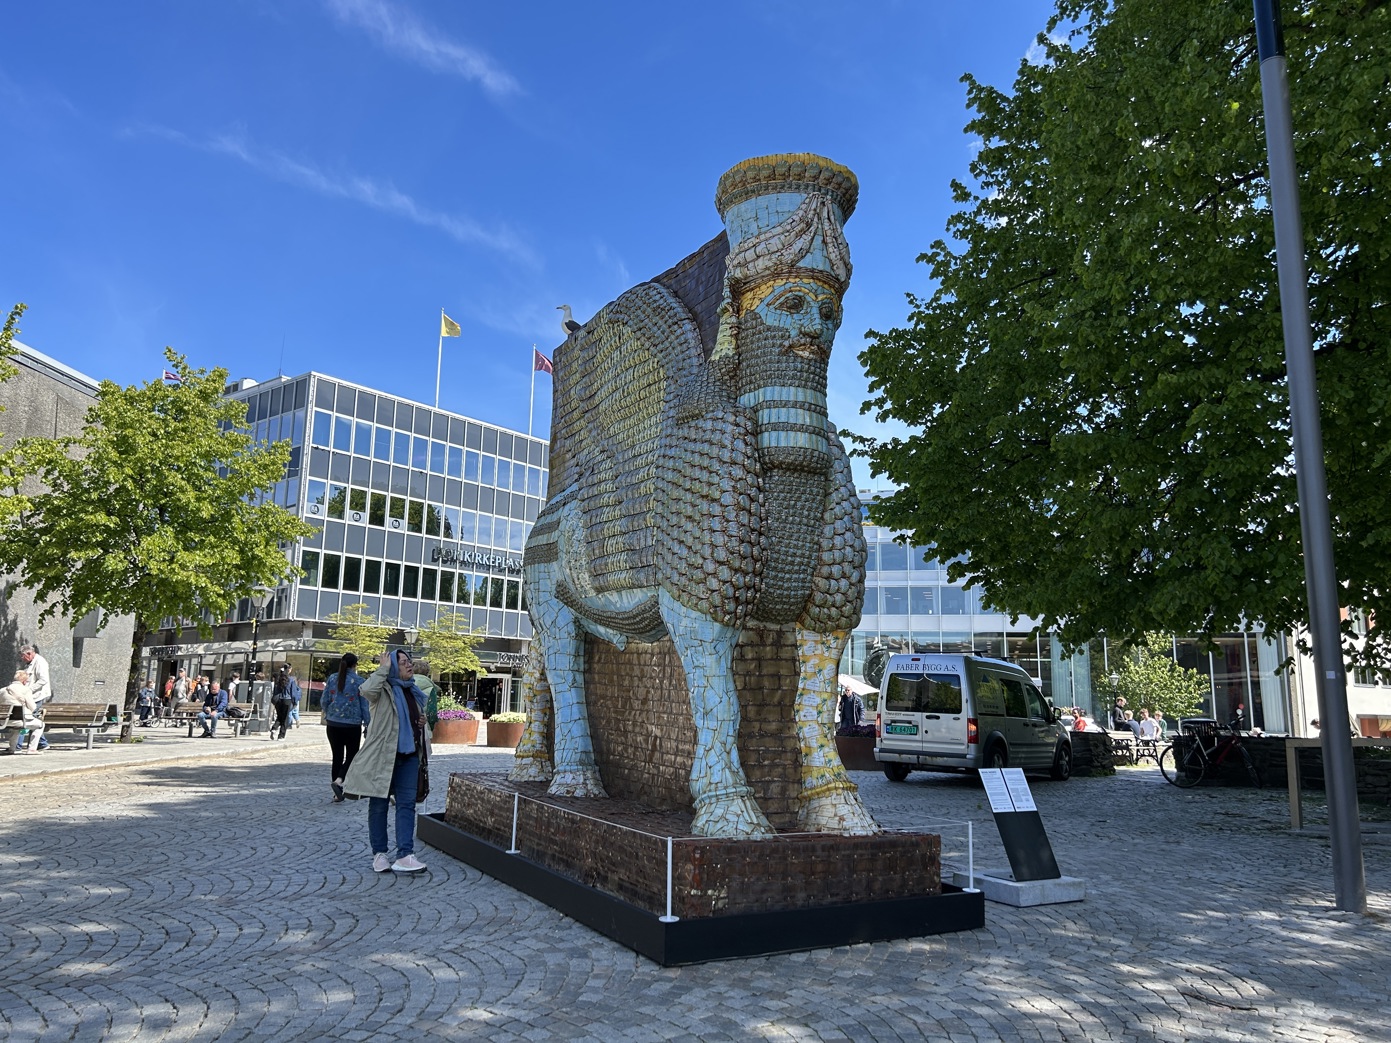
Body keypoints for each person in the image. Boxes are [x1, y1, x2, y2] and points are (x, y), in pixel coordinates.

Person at [344, 650, 429, 874]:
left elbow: (409, 721)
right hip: (384, 756)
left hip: (409, 755)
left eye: (410, 661)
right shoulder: (382, 690)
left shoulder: (412, 691)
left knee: (406, 805)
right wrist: (382, 669)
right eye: (403, 663)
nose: (409, 665)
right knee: (379, 804)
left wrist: (419, 722)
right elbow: (366, 690)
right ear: (392, 667)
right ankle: (379, 854)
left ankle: (405, 854)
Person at [322, 653, 370, 802]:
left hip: (333, 723)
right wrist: (367, 723)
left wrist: (328, 712)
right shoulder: (359, 681)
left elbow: (325, 700)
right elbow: (365, 706)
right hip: (352, 724)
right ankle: (340, 780)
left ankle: (337, 793)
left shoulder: (332, 678)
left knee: (337, 756)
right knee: (352, 755)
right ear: (355, 665)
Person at [1, 670, 44, 753]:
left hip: (3, 720)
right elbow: (33, 707)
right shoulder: (25, 690)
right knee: (41, 725)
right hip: (20, 720)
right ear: (24, 681)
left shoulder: (2, 690)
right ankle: (32, 749)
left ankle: (12, 748)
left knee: (16, 727)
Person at [18, 646, 51, 750]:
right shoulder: (31, 662)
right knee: (32, 719)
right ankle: (42, 744)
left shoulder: (40, 662)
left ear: (29, 654)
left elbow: (43, 680)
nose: (22, 658)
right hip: (31, 696)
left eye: (23, 656)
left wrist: (29, 690)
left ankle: (17, 746)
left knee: (26, 718)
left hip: (36, 696)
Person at [270, 667, 298, 740]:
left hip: (278, 700)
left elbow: (275, 691)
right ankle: (281, 735)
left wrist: (274, 700)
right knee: (285, 718)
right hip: (287, 699)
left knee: (279, 716)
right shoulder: (291, 680)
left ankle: (274, 728)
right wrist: (295, 702)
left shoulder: (278, 680)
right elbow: (293, 692)